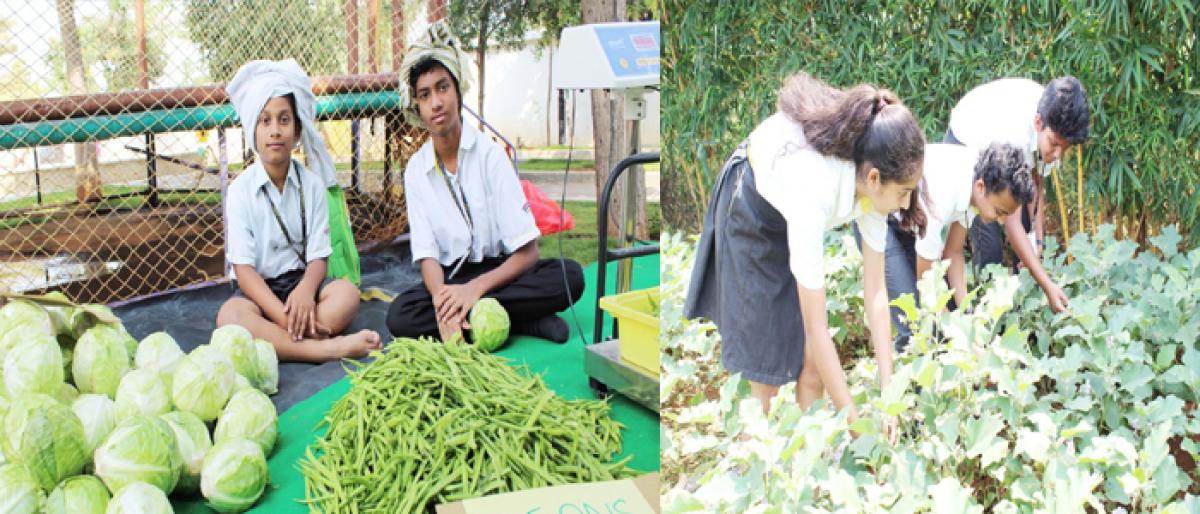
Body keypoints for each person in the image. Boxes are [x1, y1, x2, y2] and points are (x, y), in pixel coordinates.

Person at [684, 71, 926, 438]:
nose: (907, 202)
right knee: (765, 370)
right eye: (904, 191)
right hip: (751, 207)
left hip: (788, 208)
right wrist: (858, 428)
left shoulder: (874, 184)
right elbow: (817, 328)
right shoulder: (815, 187)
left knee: (814, 365)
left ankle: (809, 461)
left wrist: (889, 394)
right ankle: (759, 463)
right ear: (874, 178)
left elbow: (877, 295)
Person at [386, 24, 584, 344]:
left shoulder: (490, 156)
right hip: (451, 277)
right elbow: (427, 257)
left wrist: (474, 290)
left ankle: (490, 314)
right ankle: (523, 320)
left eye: (442, 88)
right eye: (425, 95)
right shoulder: (416, 171)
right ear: (418, 108)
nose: (436, 102)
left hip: (501, 273)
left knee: (569, 276)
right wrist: (442, 301)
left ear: (457, 91)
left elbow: (528, 252)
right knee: (400, 315)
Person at [217, 59, 381, 362]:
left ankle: (286, 343)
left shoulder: (312, 185)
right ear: (253, 131)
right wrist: (281, 316)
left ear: (296, 131)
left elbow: (319, 257)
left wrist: (306, 291)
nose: (275, 131)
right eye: (264, 121)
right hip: (261, 293)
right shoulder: (240, 192)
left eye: (283, 120)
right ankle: (324, 348)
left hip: (303, 283)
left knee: (346, 295)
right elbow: (244, 271)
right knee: (231, 316)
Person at [864, 143, 1037, 351]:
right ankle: (901, 379)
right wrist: (965, 343)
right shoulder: (942, 196)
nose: (1000, 222)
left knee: (945, 316)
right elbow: (928, 286)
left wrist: (968, 315)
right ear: (981, 188)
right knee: (914, 324)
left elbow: (953, 252)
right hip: (879, 215)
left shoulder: (978, 185)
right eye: (999, 212)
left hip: (910, 219)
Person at [945, 76, 1090, 313]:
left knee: (1023, 233)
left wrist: (1038, 237)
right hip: (969, 137)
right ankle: (978, 315)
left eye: (1064, 149)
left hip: (1006, 145)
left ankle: (1013, 309)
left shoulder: (1054, 132)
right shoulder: (1017, 137)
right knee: (989, 240)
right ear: (1037, 123)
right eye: (1054, 145)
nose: (1057, 154)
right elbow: (1010, 222)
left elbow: (1036, 180)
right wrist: (1047, 284)